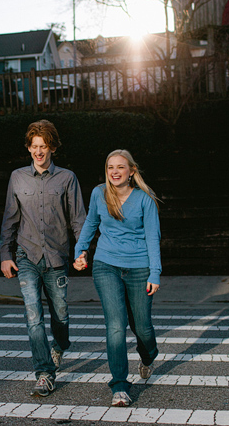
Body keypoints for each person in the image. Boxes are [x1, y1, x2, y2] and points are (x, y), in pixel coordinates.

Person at [0, 119, 86, 398]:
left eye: (44, 147)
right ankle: (44, 373)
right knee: (33, 315)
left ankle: (60, 346)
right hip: (26, 256)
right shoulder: (17, 177)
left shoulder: (67, 178)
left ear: (53, 148)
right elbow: (9, 220)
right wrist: (5, 255)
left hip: (57, 258)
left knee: (60, 315)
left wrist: (82, 251)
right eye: (34, 146)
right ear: (28, 148)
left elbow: (78, 220)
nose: (39, 152)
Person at [73, 149, 161, 407]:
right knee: (116, 325)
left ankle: (148, 357)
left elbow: (152, 238)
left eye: (120, 167)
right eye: (110, 167)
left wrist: (155, 272)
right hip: (106, 265)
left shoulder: (145, 200)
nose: (114, 171)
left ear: (131, 171)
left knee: (143, 328)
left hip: (139, 268)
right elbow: (90, 224)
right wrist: (81, 251)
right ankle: (120, 385)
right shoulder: (100, 193)